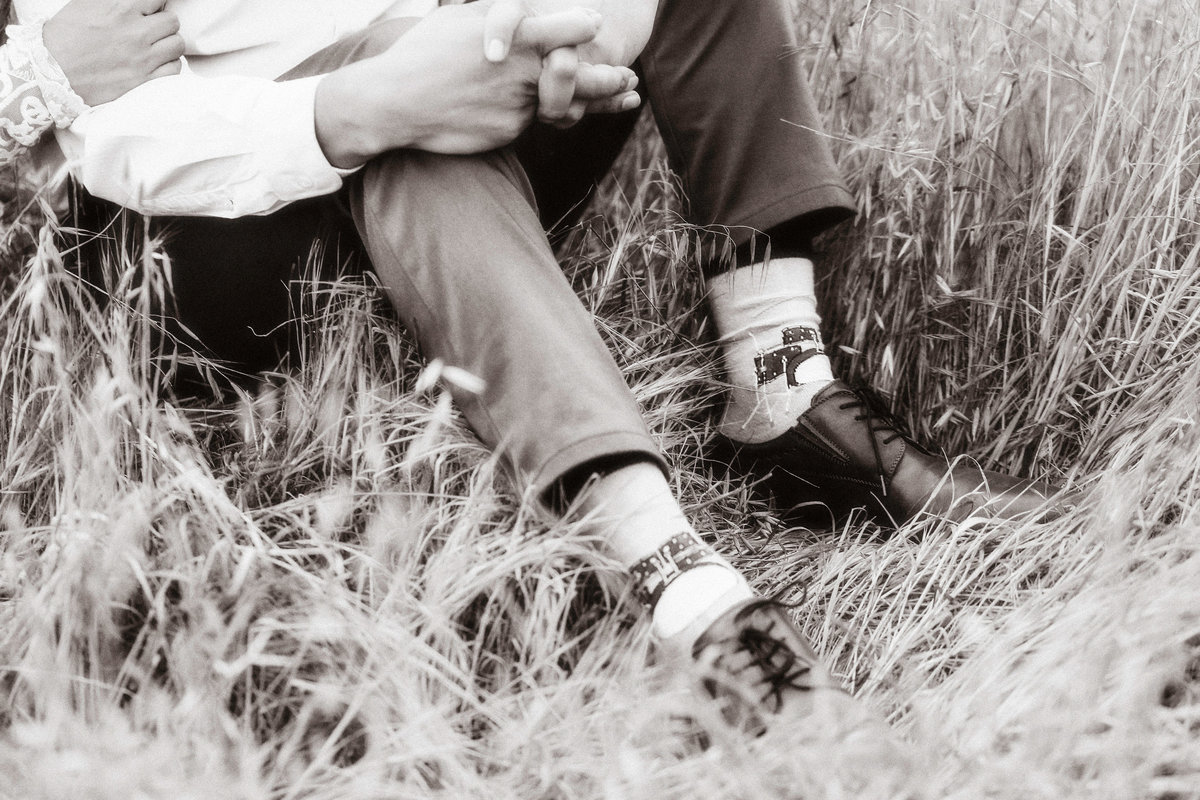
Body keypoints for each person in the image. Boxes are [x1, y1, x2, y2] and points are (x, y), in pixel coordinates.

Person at [0, 0, 1059, 755]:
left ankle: (783, 387)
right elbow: (114, 137)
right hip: (201, 237)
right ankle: (676, 575)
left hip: (417, 131)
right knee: (413, 103)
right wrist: (364, 102)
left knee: (463, 58)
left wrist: (535, 34)